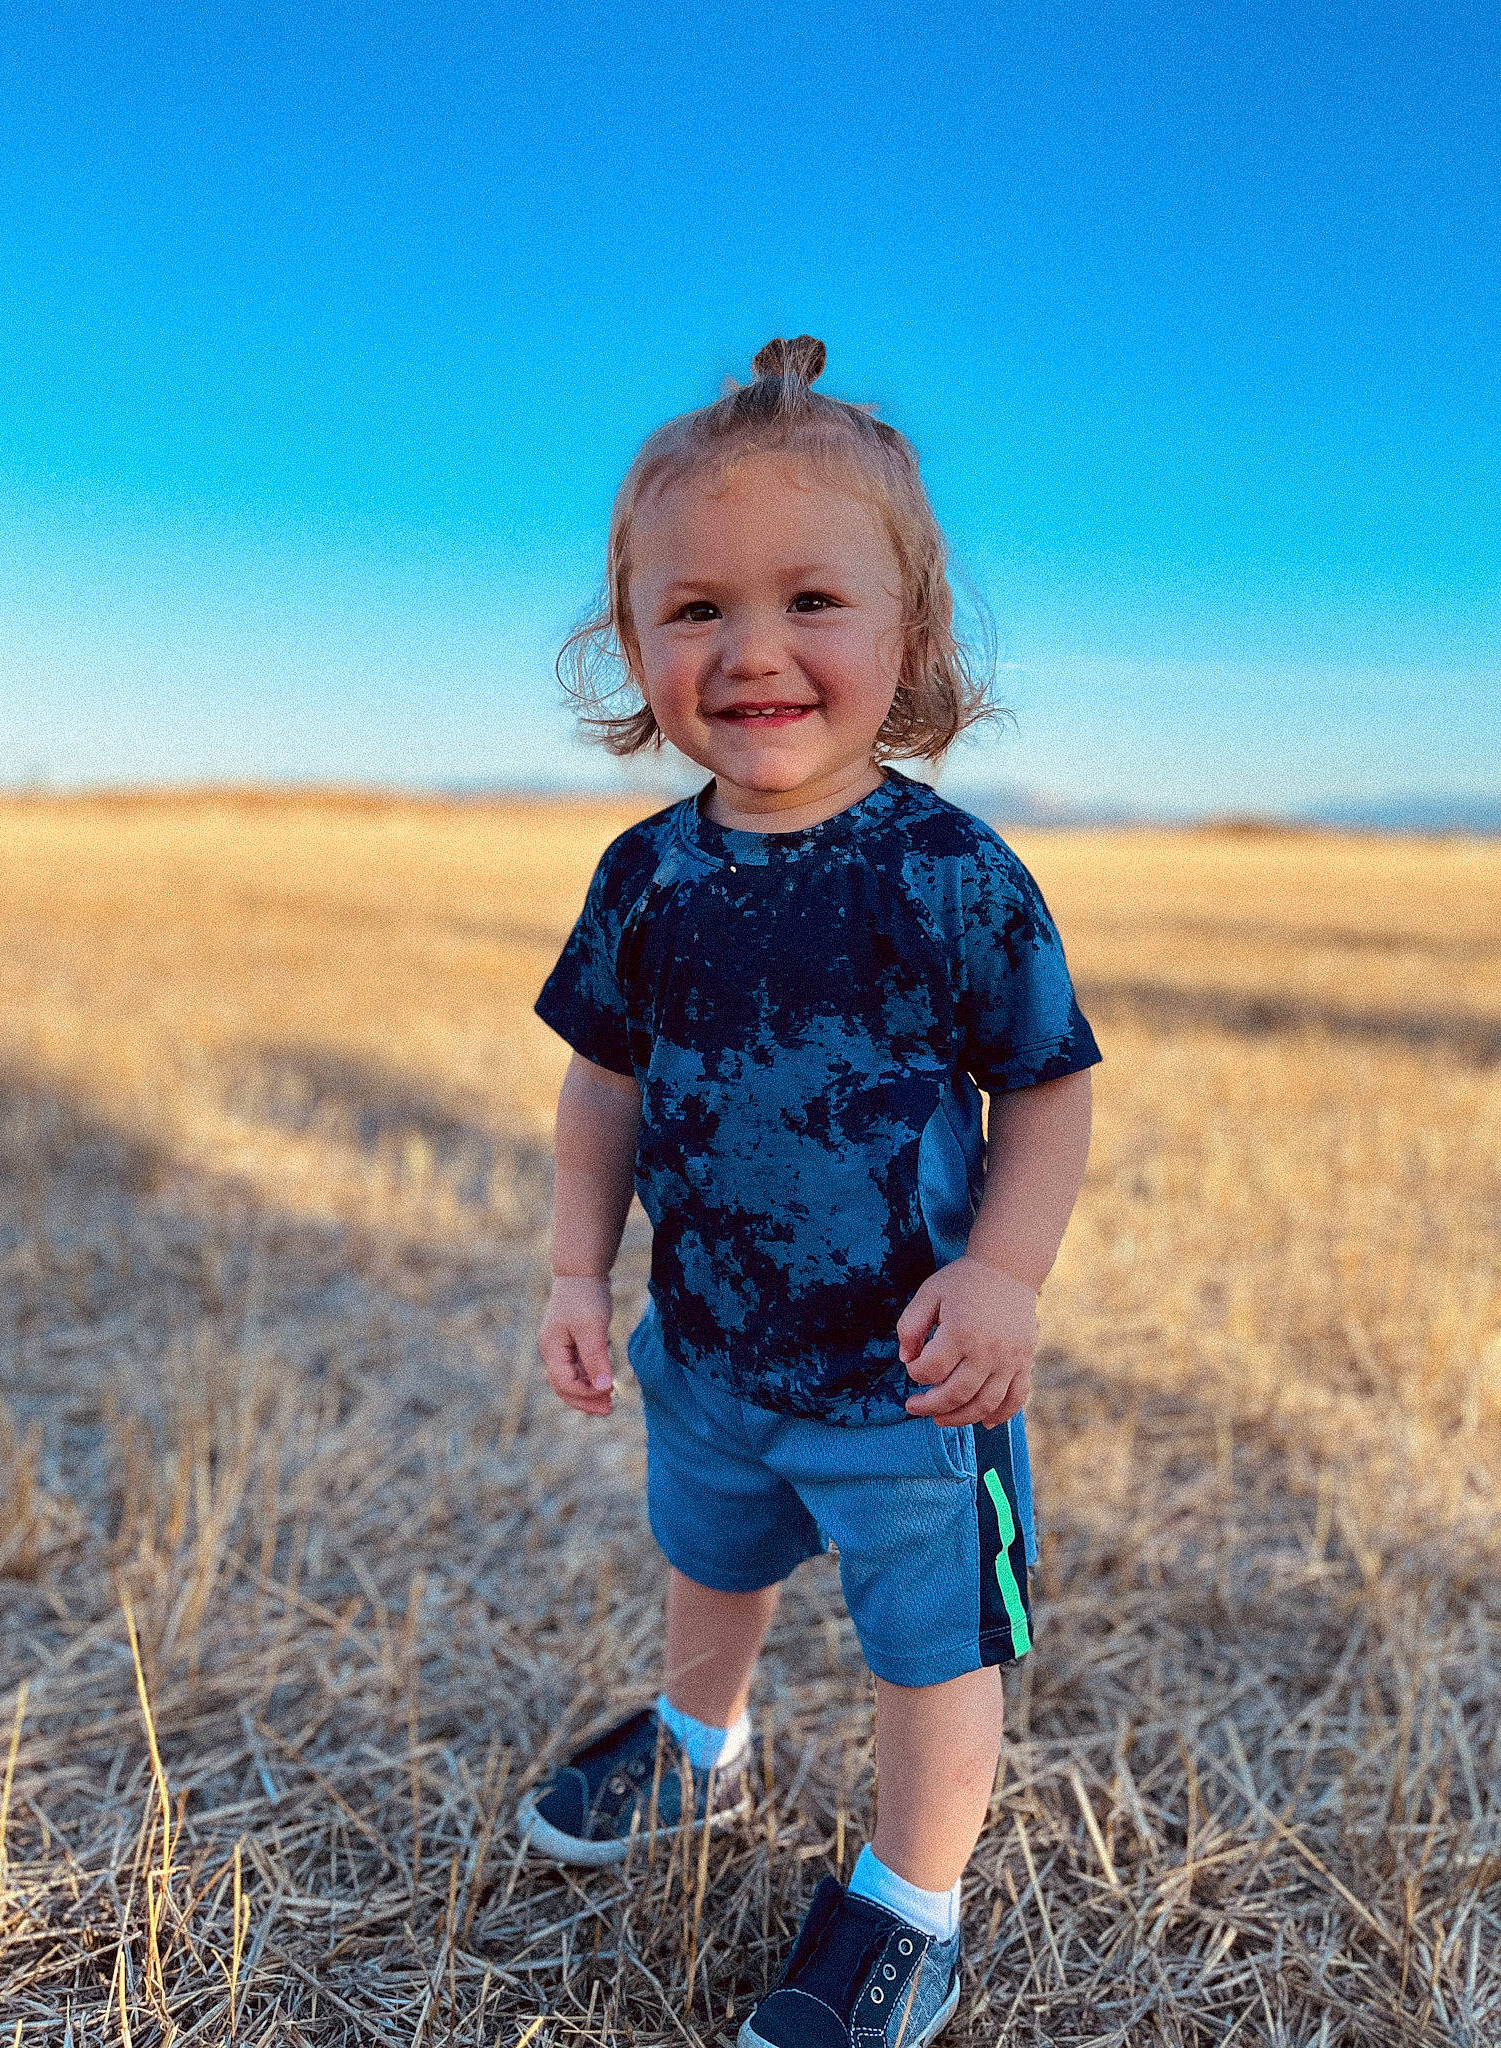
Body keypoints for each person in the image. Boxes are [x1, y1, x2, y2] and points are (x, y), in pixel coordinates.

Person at [521, 335, 1100, 2048]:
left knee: (931, 1648)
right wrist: (575, 1274)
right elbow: (603, 1084)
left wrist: (1004, 1283)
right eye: (694, 608)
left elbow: (1050, 1087)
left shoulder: (948, 874)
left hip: (907, 1387)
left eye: (809, 603)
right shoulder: (650, 875)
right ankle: (701, 1744)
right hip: (707, 1359)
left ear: (910, 636)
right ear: (632, 644)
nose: (751, 649)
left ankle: (910, 1903)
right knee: (712, 1562)